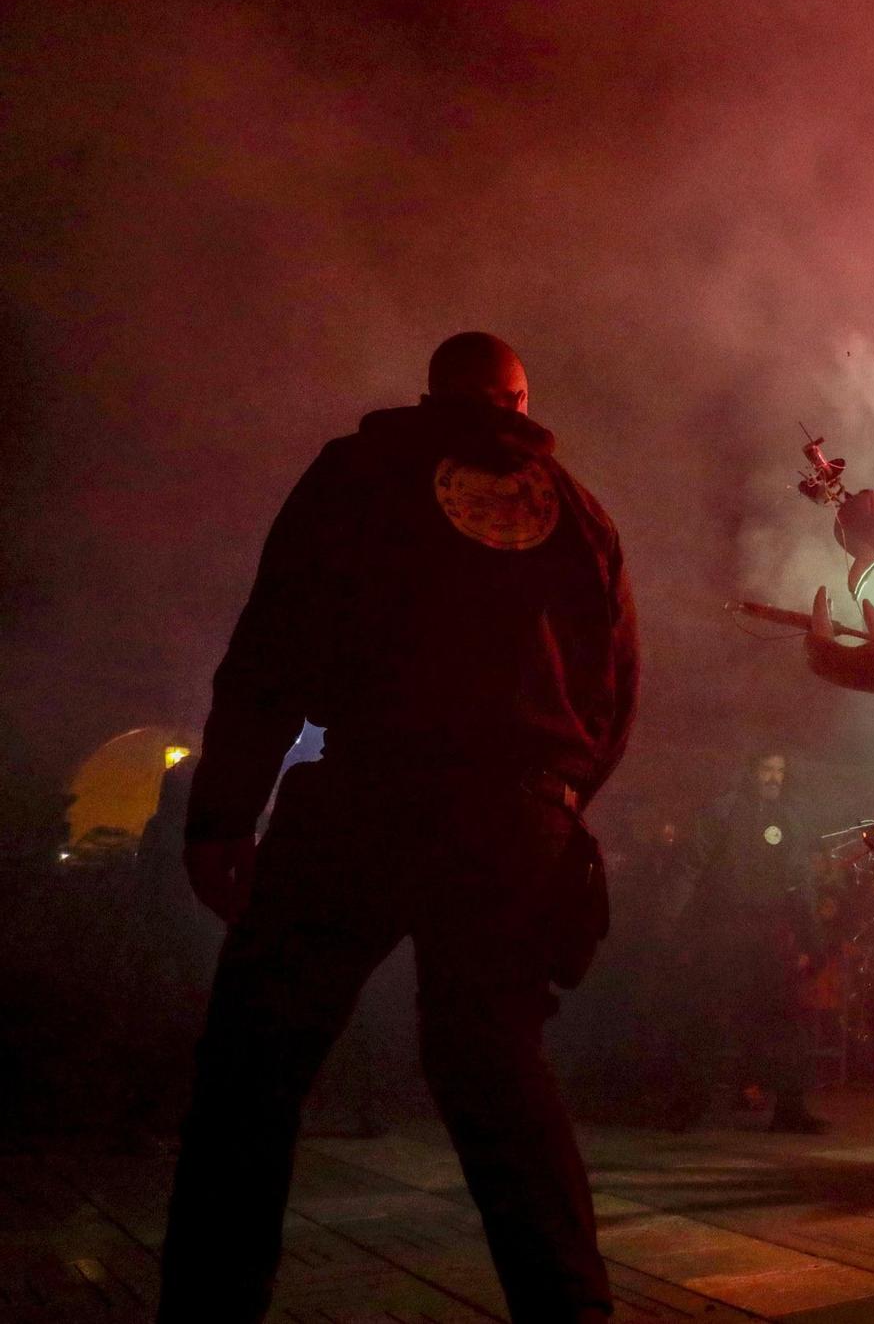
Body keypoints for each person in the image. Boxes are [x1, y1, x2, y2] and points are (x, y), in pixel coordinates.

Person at [161, 333, 639, 1324]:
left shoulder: (358, 471)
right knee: (497, 1070)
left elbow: (270, 649)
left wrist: (222, 815)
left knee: (252, 1071)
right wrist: (552, 807)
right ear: (518, 397)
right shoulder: (579, 514)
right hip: (512, 818)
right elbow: (614, 690)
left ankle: (208, 1310)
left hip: (370, 796)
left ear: (432, 392)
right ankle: (573, 1313)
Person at [667, 751, 828, 1133]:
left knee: (784, 1020)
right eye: (767, 770)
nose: (773, 778)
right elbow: (690, 868)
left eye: (779, 772)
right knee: (708, 1016)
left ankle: (789, 1109)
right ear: (751, 773)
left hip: (769, 933)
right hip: (725, 929)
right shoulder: (721, 813)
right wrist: (670, 923)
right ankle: (688, 1105)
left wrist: (812, 939)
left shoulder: (789, 820)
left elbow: (800, 882)